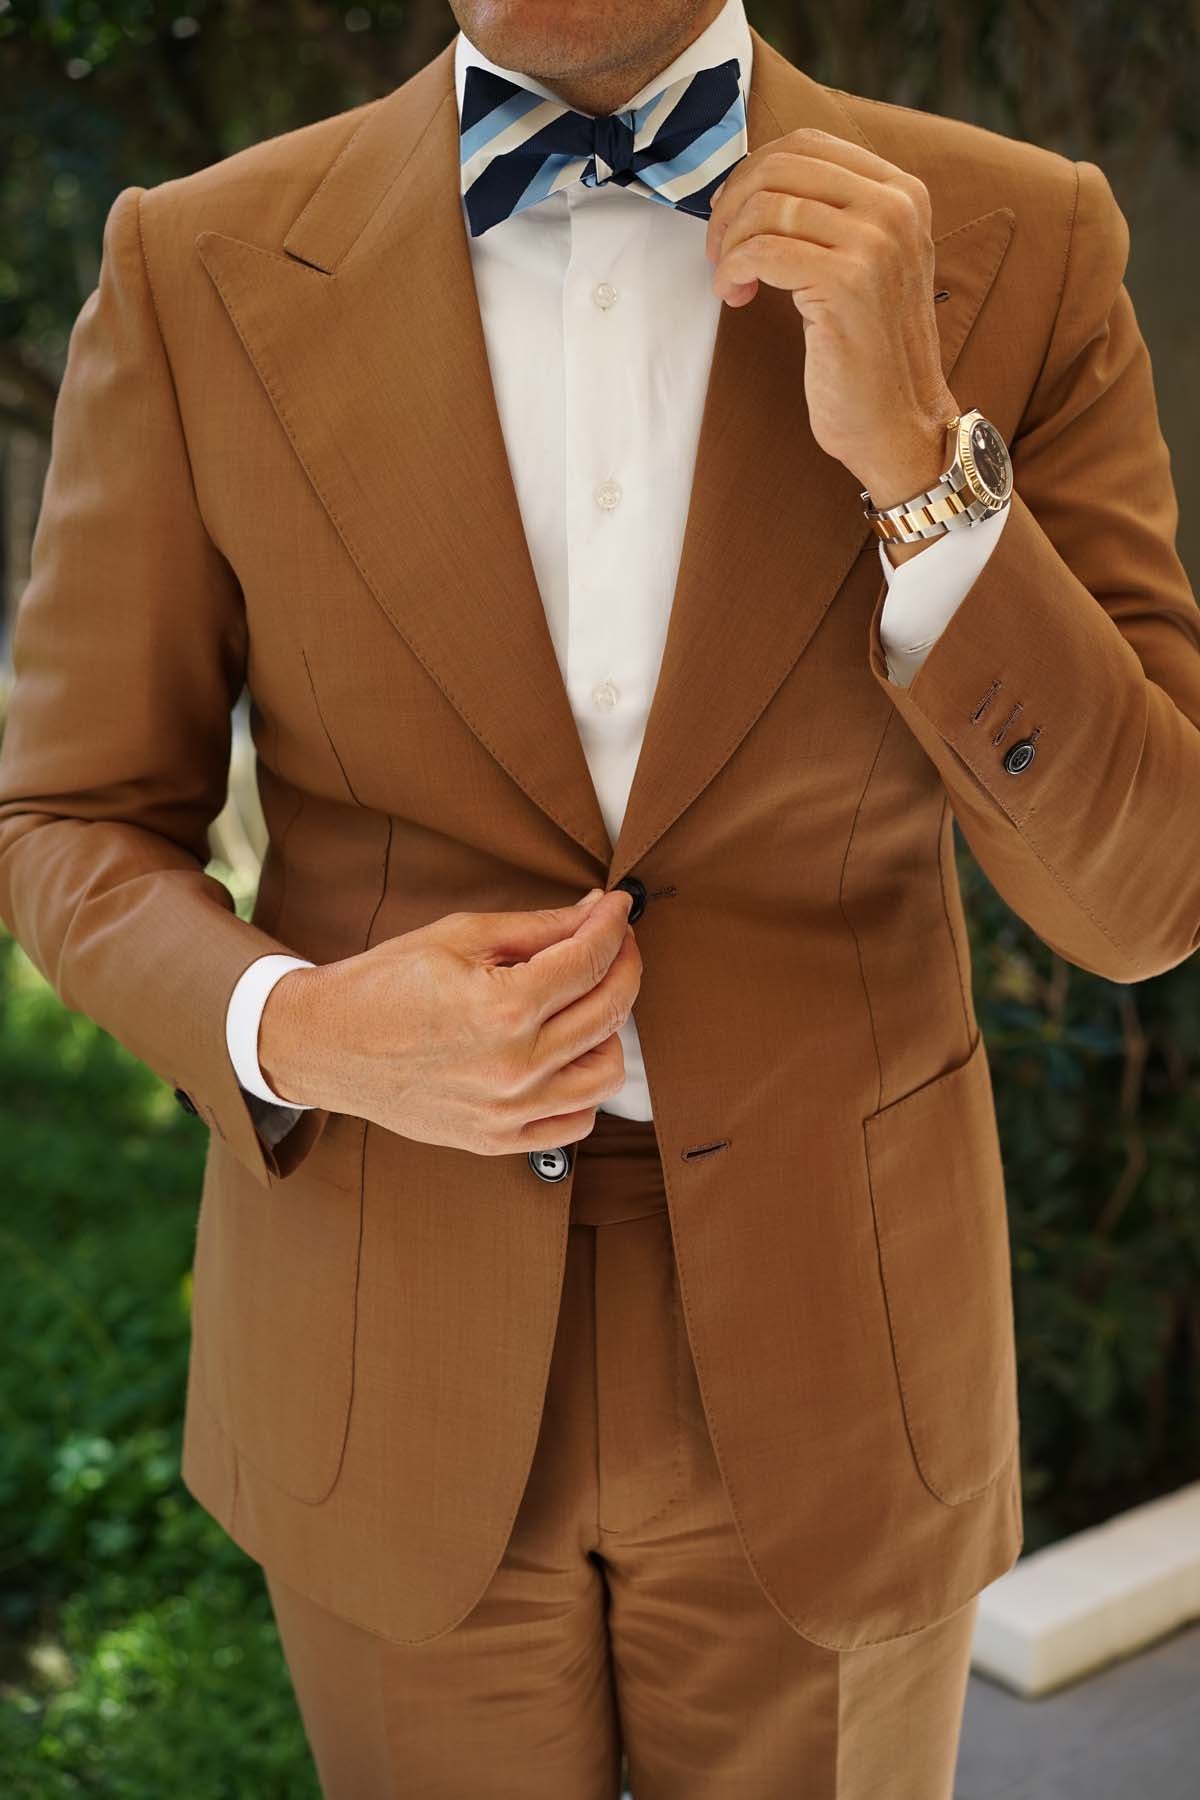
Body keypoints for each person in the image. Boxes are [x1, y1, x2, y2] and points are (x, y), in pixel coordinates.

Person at [2, 0, 1198, 1792]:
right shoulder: (196, 266)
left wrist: (924, 469)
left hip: (842, 1368)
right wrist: (301, 1030)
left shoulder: (1020, 238)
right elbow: (71, 823)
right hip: (381, 1354)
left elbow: (1146, 895)